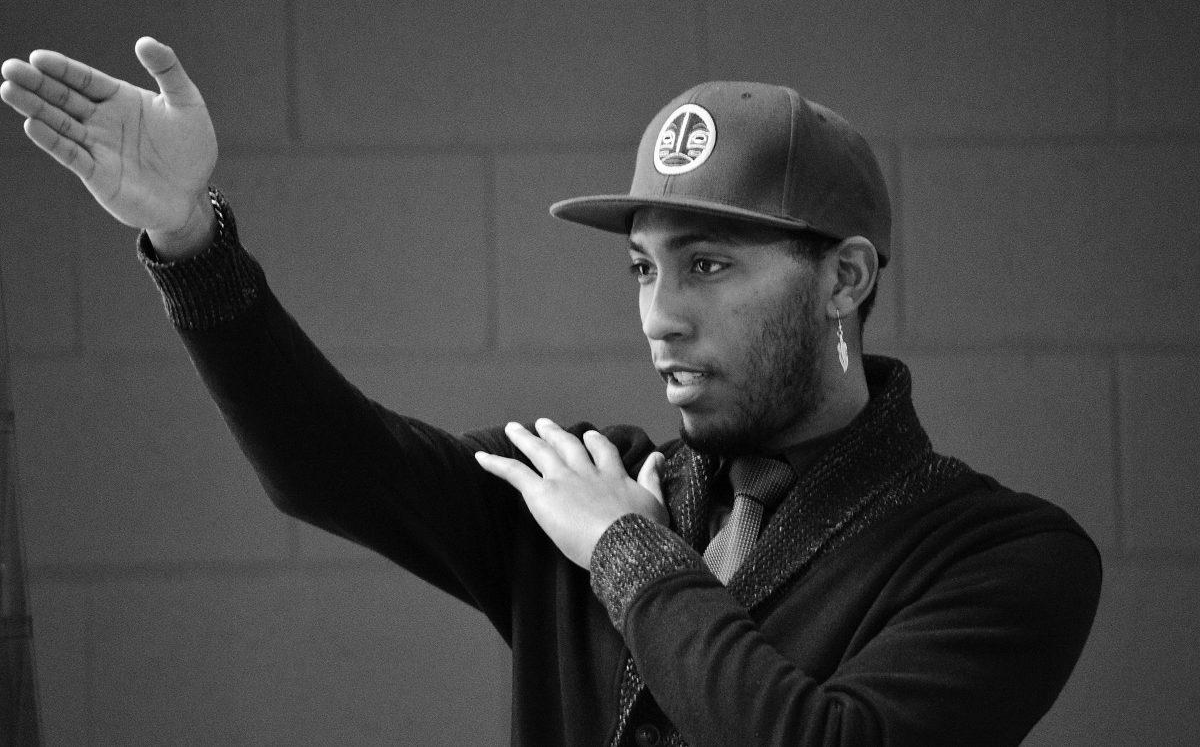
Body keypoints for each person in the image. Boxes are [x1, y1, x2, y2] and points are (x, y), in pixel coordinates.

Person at [1, 38, 1101, 746]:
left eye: (710, 265)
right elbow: (324, 465)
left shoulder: (1003, 555)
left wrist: (628, 552)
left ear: (843, 280)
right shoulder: (583, 480)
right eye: (642, 267)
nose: (658, 313)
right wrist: (188, 237)